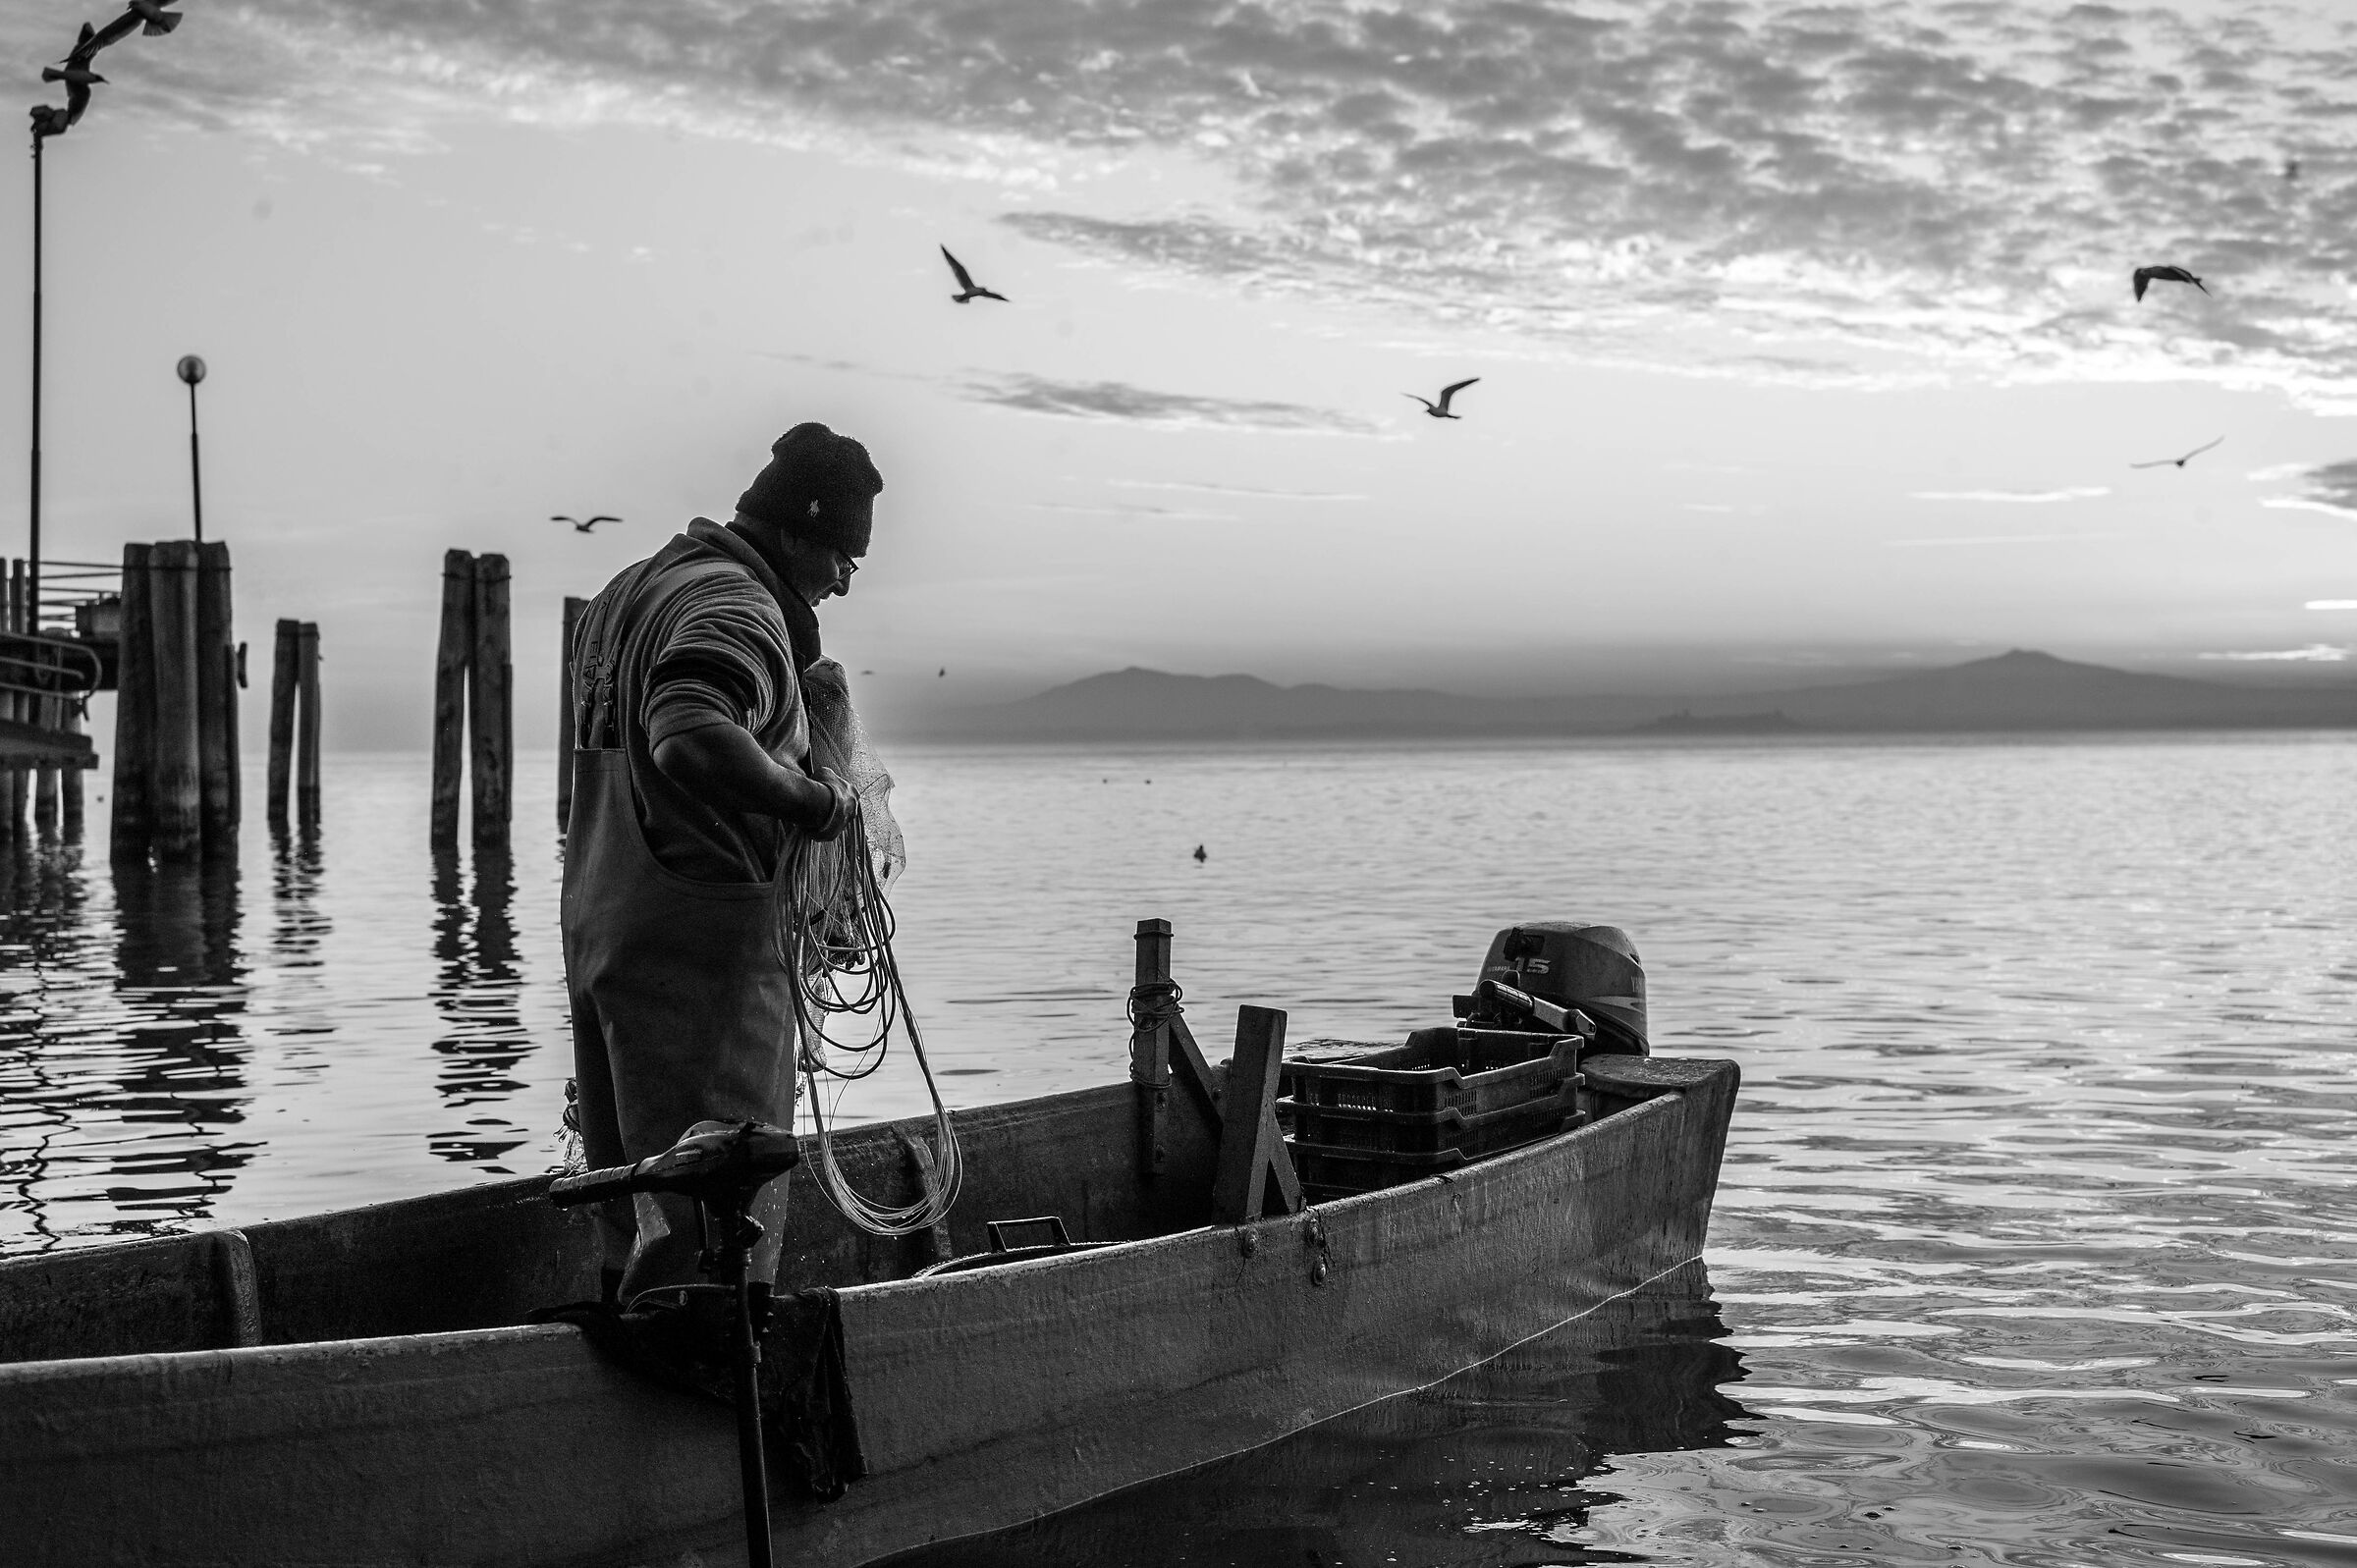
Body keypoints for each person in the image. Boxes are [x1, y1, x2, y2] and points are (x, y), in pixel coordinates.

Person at [563, 421, 881, 1304]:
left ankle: (621, 1382)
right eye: (843, 560)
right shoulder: (736, 605)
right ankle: (705, 1412)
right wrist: (818, 803)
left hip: (605, 928)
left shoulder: (632, 590)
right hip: (703, 963)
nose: (843, 585)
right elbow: (687, 733)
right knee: (714, 1231)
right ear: (794, 531)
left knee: (636, 1204)